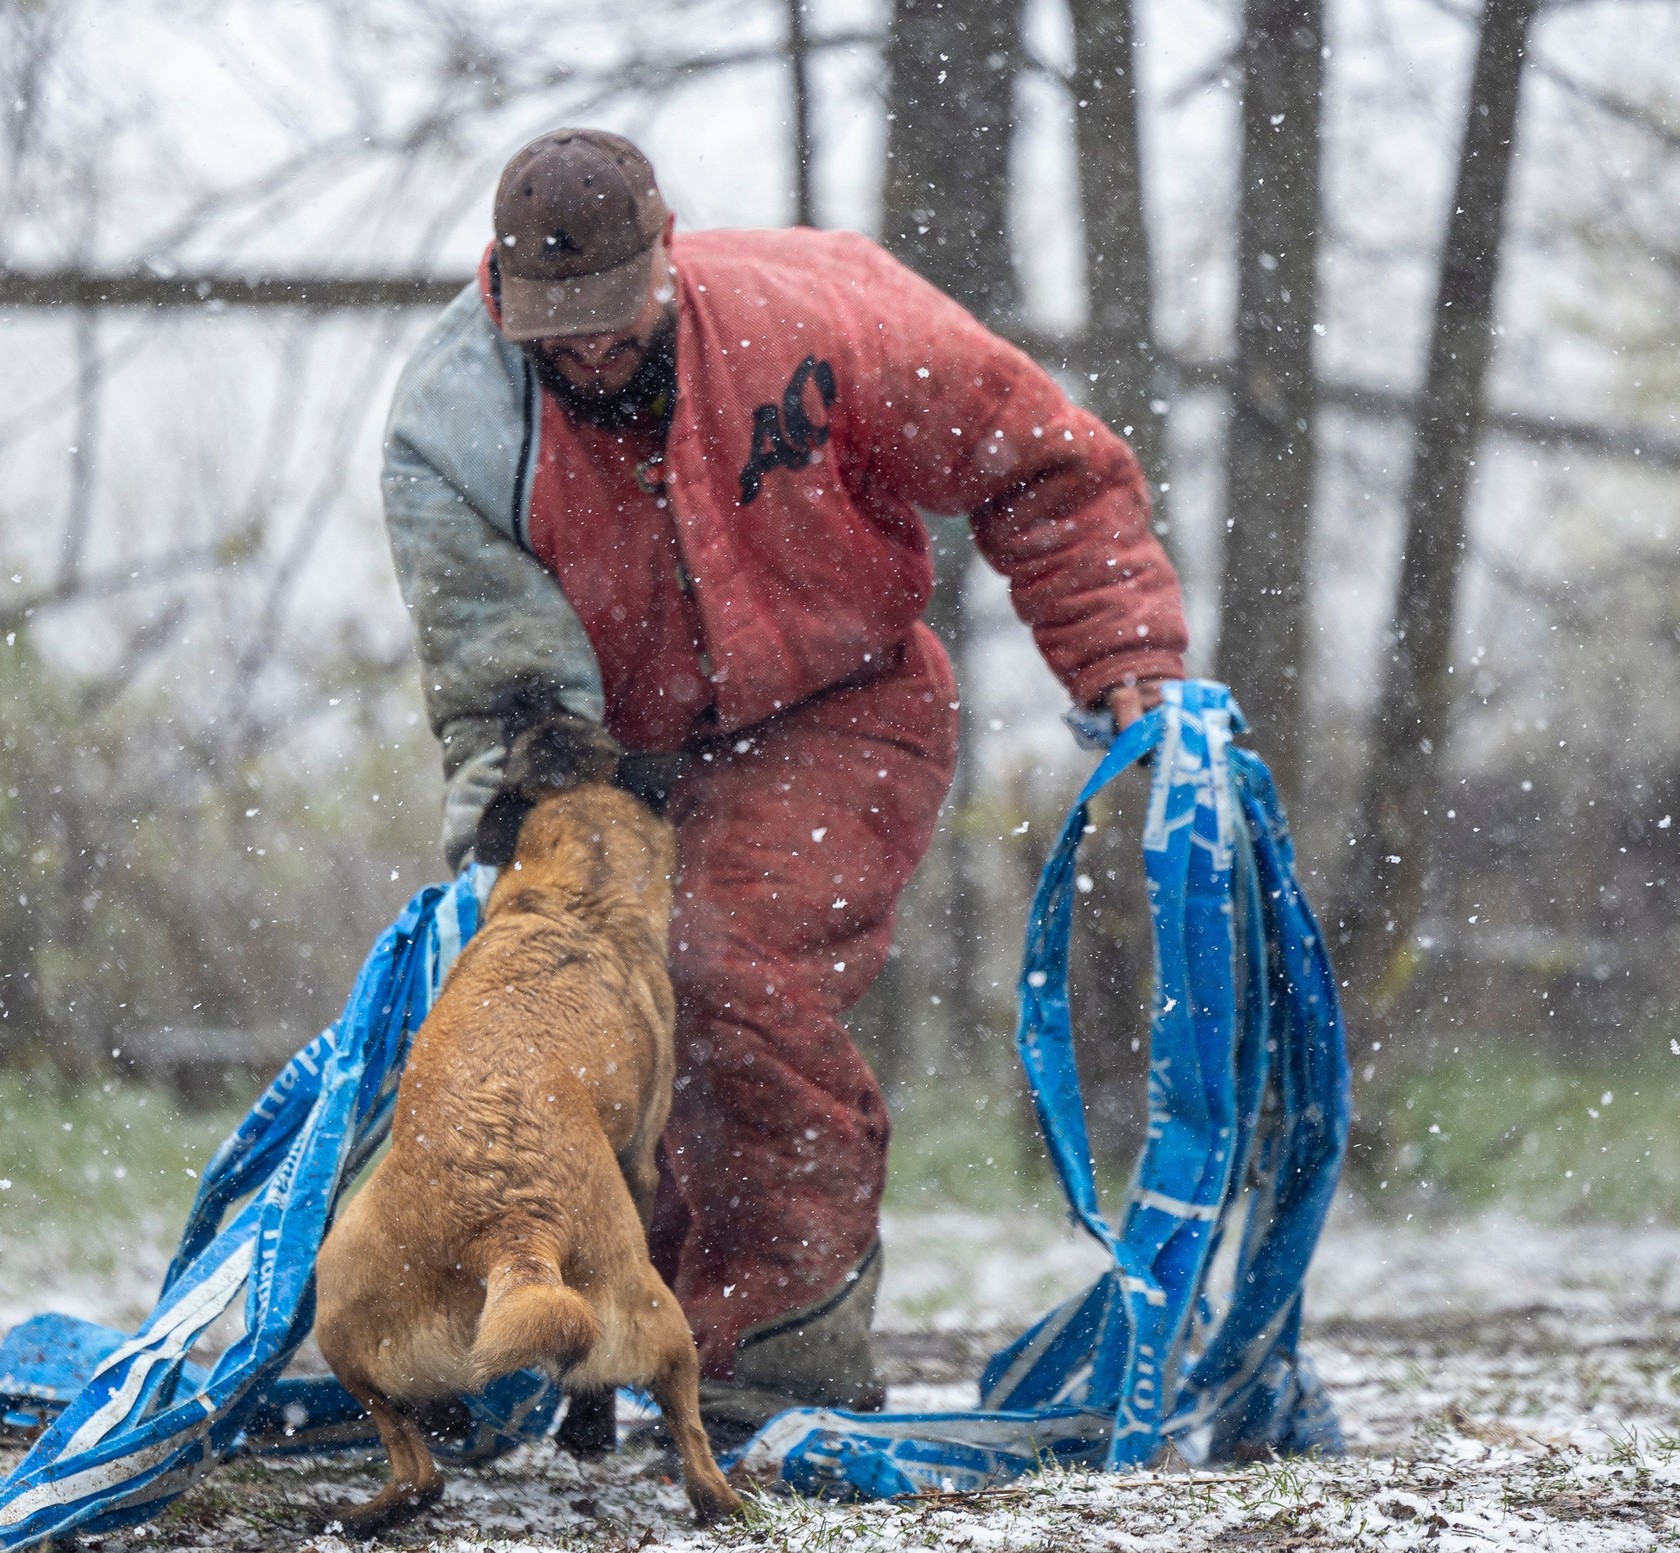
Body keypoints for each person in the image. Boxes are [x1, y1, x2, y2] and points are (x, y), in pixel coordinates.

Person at [380, 128, 1187, 1443]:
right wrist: (538, 857)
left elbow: (1038, 455)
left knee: (722, 958)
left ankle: (782, 1331)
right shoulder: (454, 428)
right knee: (579, 1003)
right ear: (500, 293)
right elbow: (507, 679)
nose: (587, 354)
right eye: (552, 329)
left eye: (611, 318)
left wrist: (1122, 652)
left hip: (844, 703)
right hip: (616, 748)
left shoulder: (813, 320)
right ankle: (597, 1324)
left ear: (668, 255)